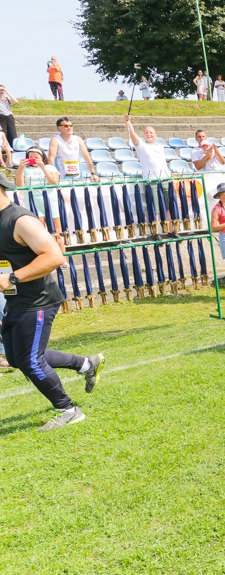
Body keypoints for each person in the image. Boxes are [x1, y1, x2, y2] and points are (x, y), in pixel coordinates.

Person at [0, 174, 104, 431]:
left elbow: (54, 257)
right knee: (16, 358)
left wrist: (13, 278)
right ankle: (86, 364)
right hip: (17, 300)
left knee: (31, 360)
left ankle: (68, 409)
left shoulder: (20, 219)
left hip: (38, 301)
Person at [48, 117, 99, 181]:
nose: (69, 127)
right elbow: (51, 159)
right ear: (59, 128)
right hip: (62, 178)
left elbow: (87, 157)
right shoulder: (55, 140)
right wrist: (52, 174)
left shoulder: (78, 139)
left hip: (77, 176)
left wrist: (93, 173)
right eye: (66, 126)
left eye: (71, 125)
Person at [125, 114, 170, 180]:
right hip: (151, 180)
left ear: (155, 135)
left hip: (166, 178)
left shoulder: (160, 147)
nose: (149, 134)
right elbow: (132, 134)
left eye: (151, 133)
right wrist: (128, 121)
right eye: (146, 133)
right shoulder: (141, 146)